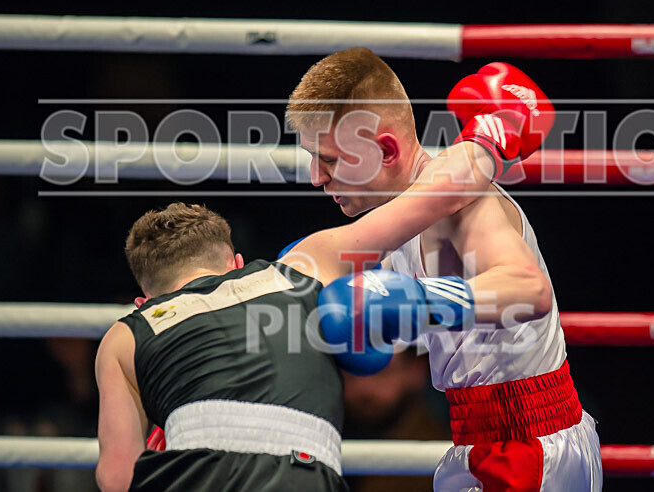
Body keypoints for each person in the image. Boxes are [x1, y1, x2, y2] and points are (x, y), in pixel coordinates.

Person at [95, 103, 539, 490]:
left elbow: (117, 479)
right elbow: (437, 195)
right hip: (303, 477)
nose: (315, 177)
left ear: (143, 302)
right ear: (238, 265)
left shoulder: (124, 336)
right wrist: (488, 134)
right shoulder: (298, 269)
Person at [287, 48, 603, 491]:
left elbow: (528, 289)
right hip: (483, 439)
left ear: (385, 149)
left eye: (331, 159)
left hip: (527, 444)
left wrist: (415, 301)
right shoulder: (399, 222)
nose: (317, 177)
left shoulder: (465, 205)